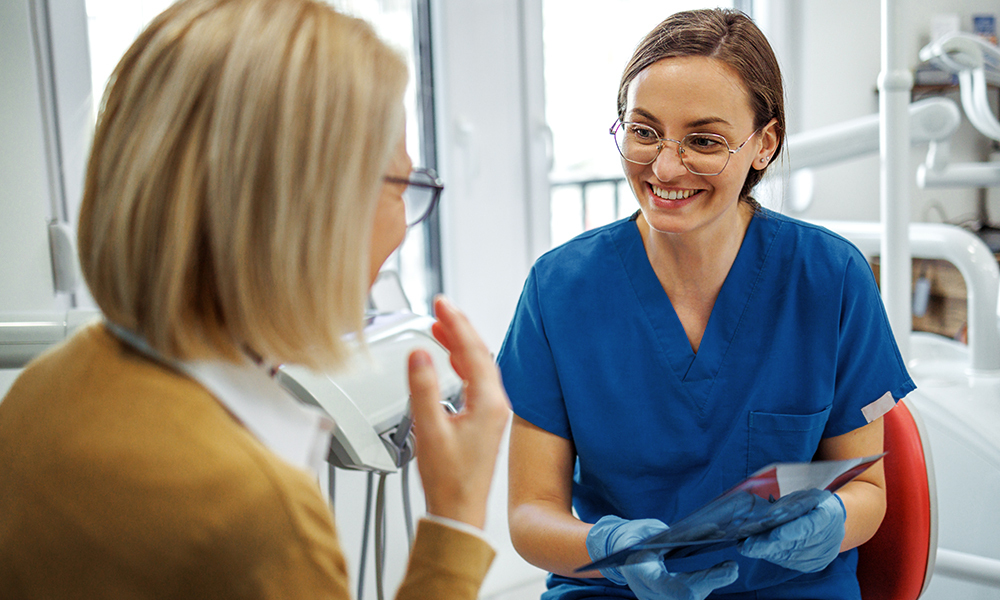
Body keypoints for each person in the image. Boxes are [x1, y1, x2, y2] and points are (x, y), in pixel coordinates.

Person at [0, 0, 511, 598]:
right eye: (401, 186)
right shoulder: (257, 513)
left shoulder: (41, 389)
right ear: (303, 215)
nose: (404, 228)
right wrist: (456, 519)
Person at [498, 8, 914, 600]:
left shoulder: (831, 280)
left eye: (704, 140)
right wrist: (606, 550)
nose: (665, 167)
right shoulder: (559, 290)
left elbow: (868, 488)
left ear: (763, 144)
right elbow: (531, 513)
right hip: (613, 590)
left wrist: (836, 521)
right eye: (644, 131)